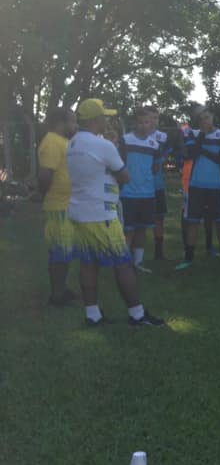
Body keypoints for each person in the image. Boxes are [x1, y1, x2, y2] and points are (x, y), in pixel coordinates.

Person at [67, 99, 163, 327]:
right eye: (104, 116)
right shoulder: (102, 145)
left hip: (79, 210)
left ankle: (93, 315)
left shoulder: (73, 142)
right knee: (123, 263)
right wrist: (112, 149)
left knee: (88, 263)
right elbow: (125, 176)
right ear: (95, 119)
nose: (107, 120)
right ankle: (137, 315)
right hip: (101, 213)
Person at [176, 109, 220, 270]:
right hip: (196, 185)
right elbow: (190, 155)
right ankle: (188, 258)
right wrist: (202, 136)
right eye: (201, 118)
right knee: (193, 222)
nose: (205, 121)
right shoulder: (194, 134)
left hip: (216, 185)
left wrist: (204, 151)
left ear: (213, 117)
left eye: (207, 117)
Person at [37, 107, 78, 306]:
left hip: (67, 205)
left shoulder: (63, 141)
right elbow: (45, 174)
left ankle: (62, 288)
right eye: (73, 121)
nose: (76, 125)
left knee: (65, 251)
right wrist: (42, 195)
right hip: (58, 207)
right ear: (61, 122)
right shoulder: (52, 141)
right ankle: (57, 295)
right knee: (60, 252)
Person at [119, 107, 163, 272]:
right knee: (128, 230)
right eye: (140, 122)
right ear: (135, 123)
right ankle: (123, 264)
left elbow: (156, 167)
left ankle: (138, 262)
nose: (144, 125)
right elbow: (119, 163)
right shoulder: (125, 140)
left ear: (151, 123)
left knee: (142, 229)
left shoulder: (155, 144)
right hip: (128, 193)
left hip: (147, 193)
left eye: (147, 122)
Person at [145, 106, 169, 260]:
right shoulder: (133, 137)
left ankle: (159, 252)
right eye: (150, 117)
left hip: (157, 184)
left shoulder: (162, 137)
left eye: (156, 118)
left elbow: (165, 157)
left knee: (159, 218)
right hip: (140, 185)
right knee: (138, 221)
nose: (153, 121)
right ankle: (135, 254)